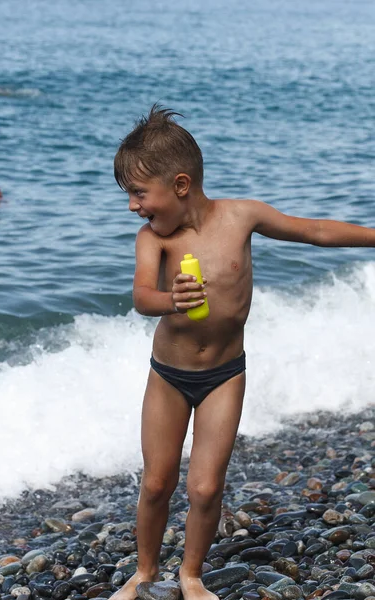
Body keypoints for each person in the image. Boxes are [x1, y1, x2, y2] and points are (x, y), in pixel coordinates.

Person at [112, 105, 375, 600]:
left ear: (181, 185)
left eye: (139, 193)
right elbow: (142, 296)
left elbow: (314, 231)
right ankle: (144, 573)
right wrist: (171, 300)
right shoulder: (152, 239)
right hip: (168, 376)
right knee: (156, 483)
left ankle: (190, 576)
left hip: (225, 375)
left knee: (207, 488)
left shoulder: (242, 217)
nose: (133, 206)